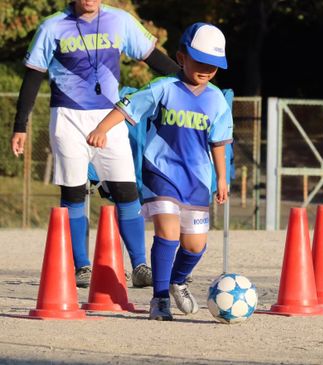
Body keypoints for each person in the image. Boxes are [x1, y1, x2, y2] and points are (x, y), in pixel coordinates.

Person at [10, 0, 180, 288]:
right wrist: (20, 126)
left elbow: (153, 57)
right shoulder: (51, 26)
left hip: (110, 116)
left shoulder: (120, 21)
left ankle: (139, 266)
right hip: (67, 117)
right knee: (74, 192)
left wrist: (186, 82)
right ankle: (82, 267)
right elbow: (33, 76)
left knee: (126, 190)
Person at [87, 22, 233, 321]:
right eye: (200, 62)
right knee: (167, 230)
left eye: (214, 66)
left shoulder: (217, 99)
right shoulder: (163, 87)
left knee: (195, 245)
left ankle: (178, 281)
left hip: (196, 180)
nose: (206, 70)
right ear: (181, 57)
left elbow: (218, 141)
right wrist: (102, 129)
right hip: (161, 173)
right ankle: (159, 298)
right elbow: (128, 108)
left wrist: (221, 177)